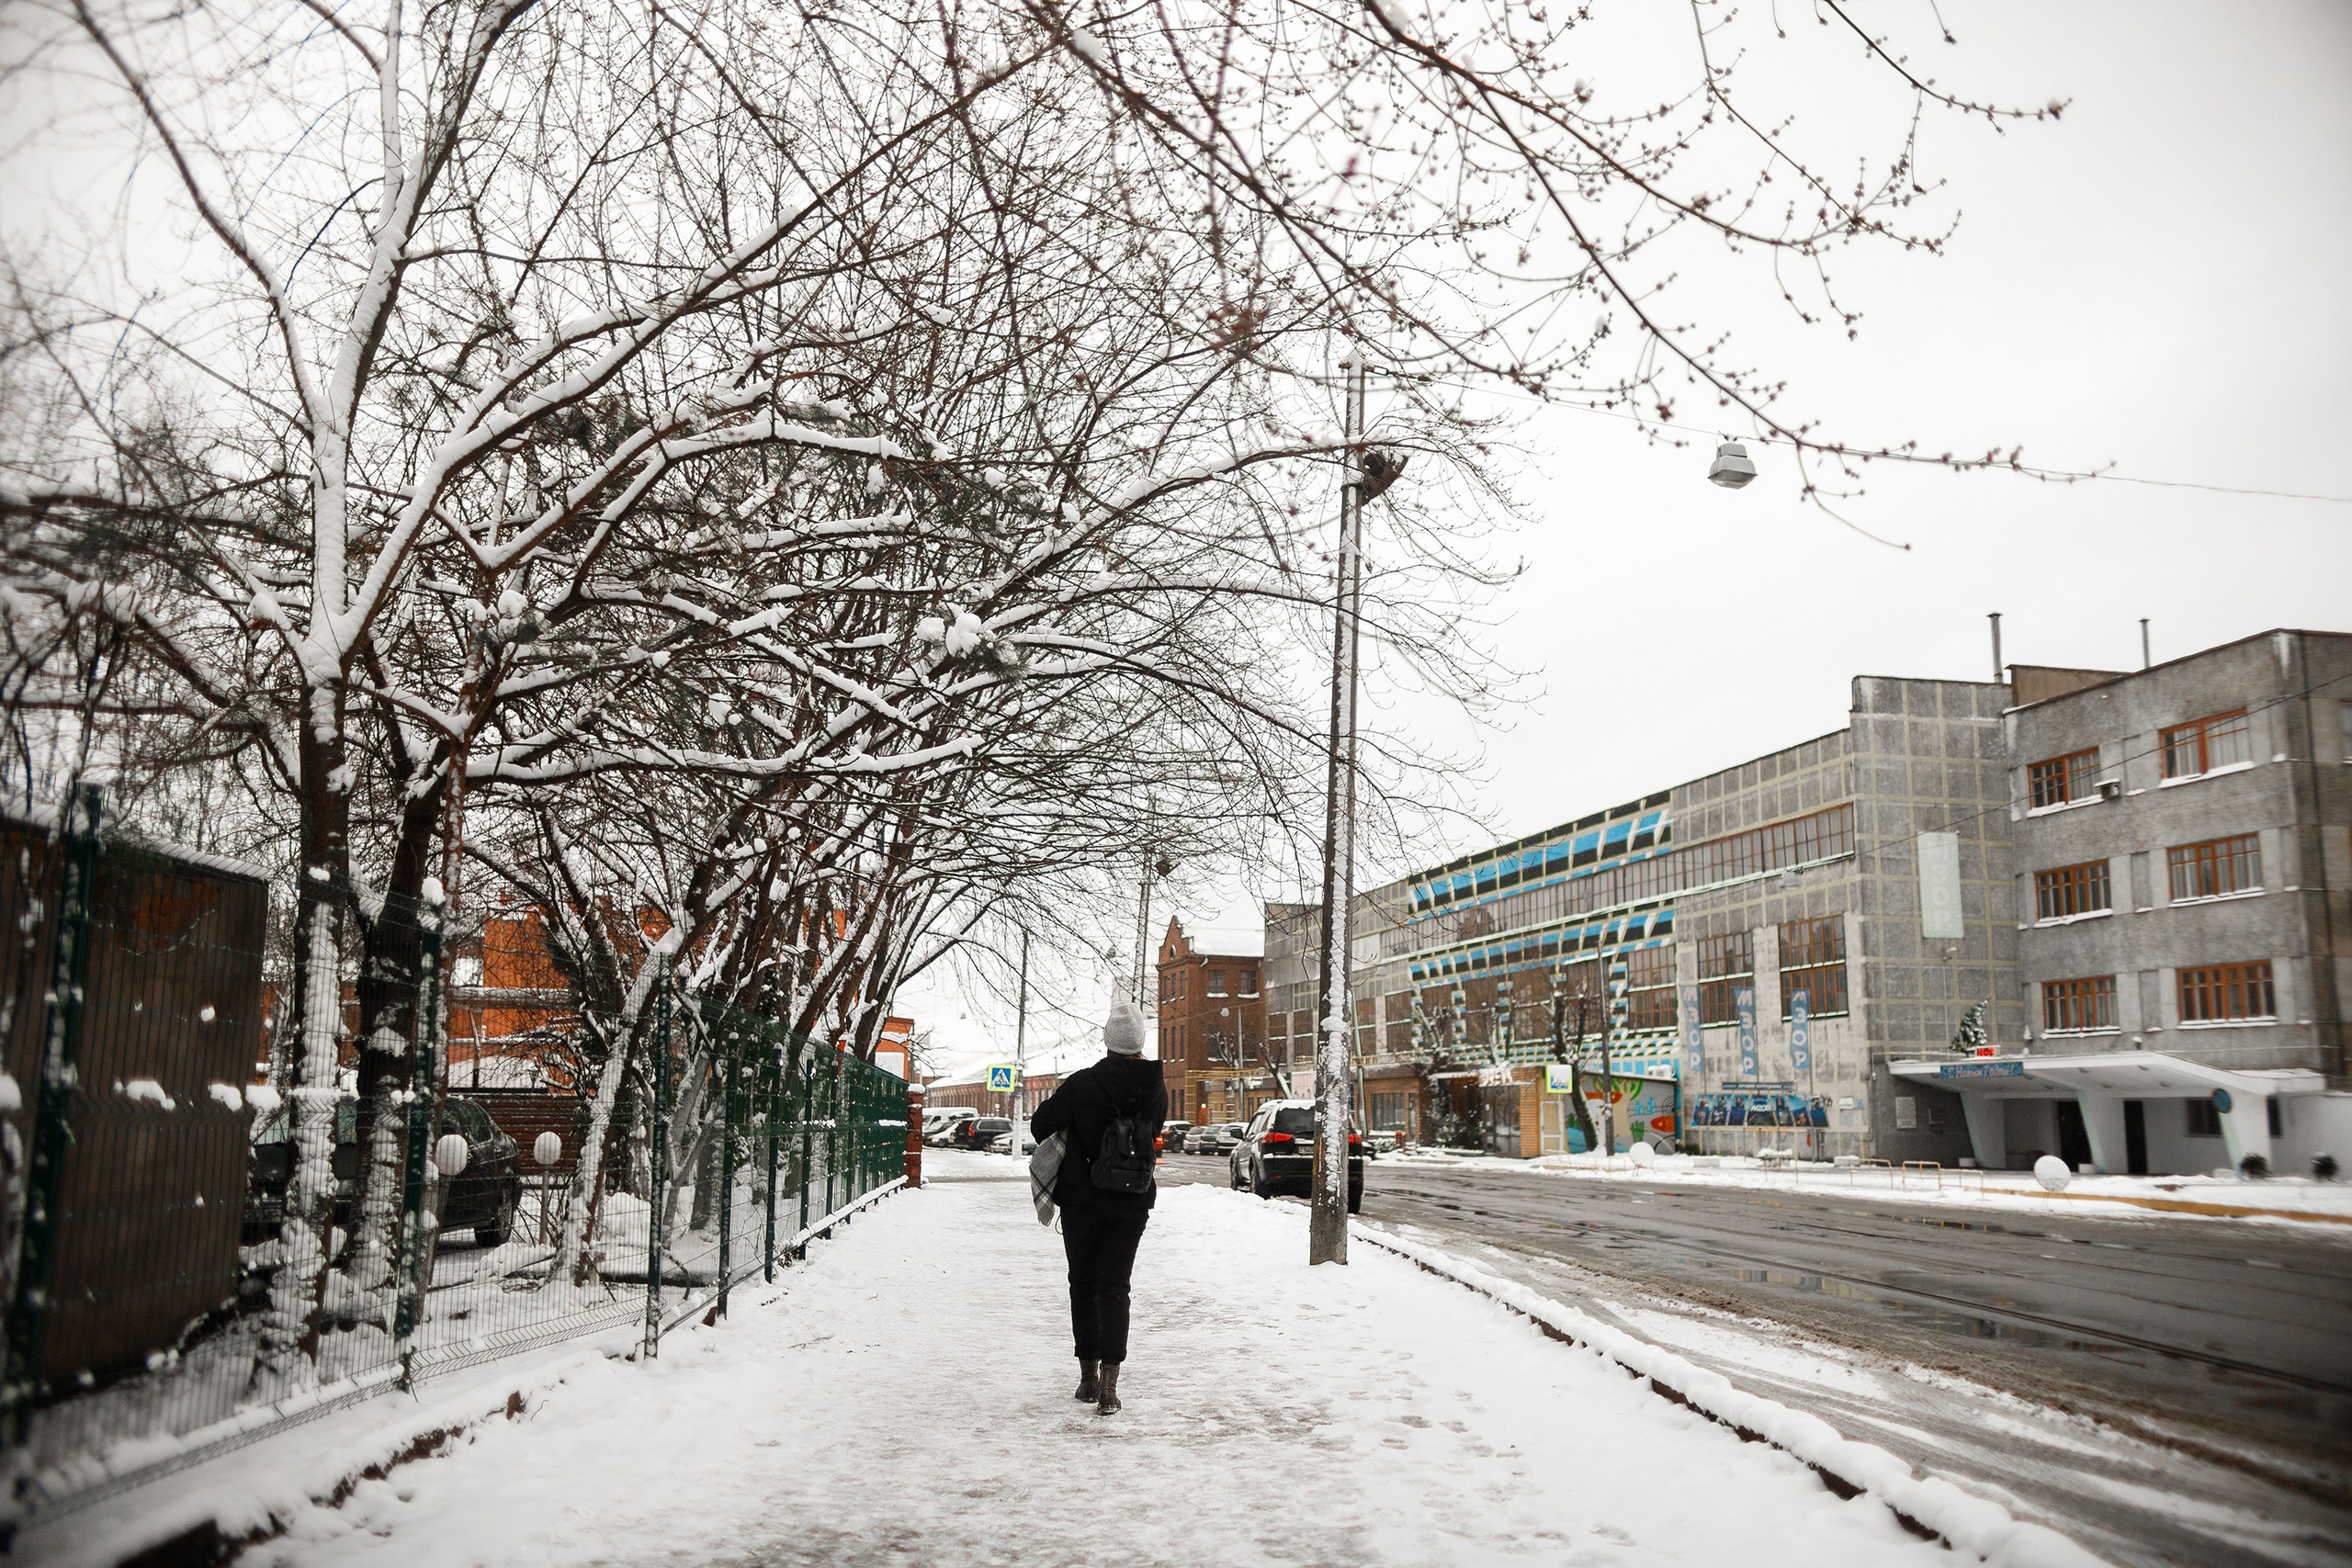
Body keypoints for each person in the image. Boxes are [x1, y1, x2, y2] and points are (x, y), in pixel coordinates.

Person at [1027, 1000, 1166, 1416]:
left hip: (1083, 1201)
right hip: (1132, 1202)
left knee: (1083, 1285)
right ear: (1140, 1042)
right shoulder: (1156, 1087)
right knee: (1115, 1288)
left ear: (1107, 1041)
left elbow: (1039, 1125)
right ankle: (1110, 1386)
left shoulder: (1082, 1084)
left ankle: (1087, 1379)